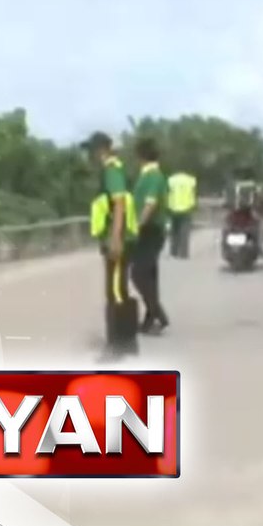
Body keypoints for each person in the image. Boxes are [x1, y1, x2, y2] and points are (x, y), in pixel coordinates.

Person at [83, 131, 140, 359]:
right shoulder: (114, 169)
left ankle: (118, 344)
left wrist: (115, 238)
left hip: (118, 240)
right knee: (119, 289)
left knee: (115, 290)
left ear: (101, 150)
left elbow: (119, 205)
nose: (89, 155)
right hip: (118, 238)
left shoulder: (112, 170)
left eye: (91, 150)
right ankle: (127, 341)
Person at [131, 138, 171, 334]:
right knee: (149, 276)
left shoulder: (153, 176)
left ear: (141, 156)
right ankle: (150, 319)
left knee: (138, 274)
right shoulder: (147, 175)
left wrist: (138, 225)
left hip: (150, 230)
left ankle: (158, 314)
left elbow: (150, 203)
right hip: (149, 230)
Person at [225, 166, 263, 257]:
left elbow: (227, 200)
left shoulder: (232, 185)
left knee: (227, 226)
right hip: (250, 213)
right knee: (261, 226)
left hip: (235, 213)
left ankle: (226, 247)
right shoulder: (255, 185)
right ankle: (260, 247)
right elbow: (261, 199)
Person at [166, 170, 198, 258]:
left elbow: (168, 193)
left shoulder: (171, 180)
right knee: (185, 233)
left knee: (174, 232)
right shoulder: (191, 180)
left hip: (173, 207)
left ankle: (174, 252)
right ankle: (184, 253)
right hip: (187, 208)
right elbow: (193, 193)